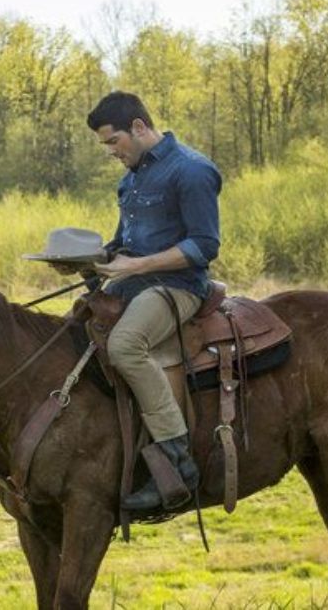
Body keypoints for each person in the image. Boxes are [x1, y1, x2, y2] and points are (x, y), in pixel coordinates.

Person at [86, 91, 222, 511]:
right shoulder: (131, 178)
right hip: (134, 284)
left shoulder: (192, 171)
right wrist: (88, 261)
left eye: (113, 142)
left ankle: (176, 459)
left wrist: (137, 266)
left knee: (125, 344)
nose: (111, 152)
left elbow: (203, 246)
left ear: (140, 128)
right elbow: (122, 244)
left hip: (176, 288)